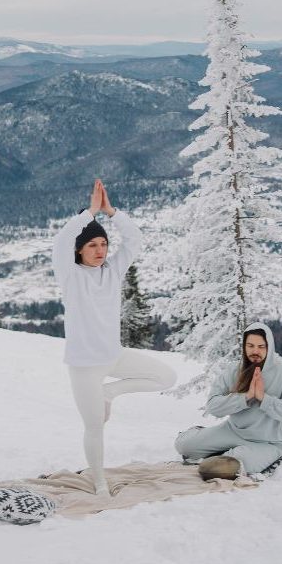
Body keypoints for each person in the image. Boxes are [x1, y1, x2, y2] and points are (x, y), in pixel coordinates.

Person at [52, 179, 177, 495]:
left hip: (114, 357)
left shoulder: (112, 271)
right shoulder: (70, 274)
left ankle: (111, 393)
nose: (100, 250)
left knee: (166, 376)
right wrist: (90, 214)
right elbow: (61, 241)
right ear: (79, 249)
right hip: (84, 367)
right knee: (95, 428)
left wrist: (111, 212)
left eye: (103, 244)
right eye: (92, 245)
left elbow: (133, 239)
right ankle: (99, 482)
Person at [175, 322, 282, 479]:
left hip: (266, 443)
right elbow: (212, 406)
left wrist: (264, 399)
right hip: (231, 431)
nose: (255, 351)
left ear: (269, 347)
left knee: (222, 468)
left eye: (261, 346)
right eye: (250, 346)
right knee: (183, 445)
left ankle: (231, 455)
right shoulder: (234, 370)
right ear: (244, 346)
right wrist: (246, 397)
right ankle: (200, 434)